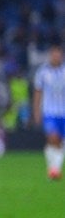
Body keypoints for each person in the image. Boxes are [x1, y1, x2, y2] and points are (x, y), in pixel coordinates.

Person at [32, 44, 65, 180]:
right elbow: (38, 92)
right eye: (54, 54)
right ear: (50, 56)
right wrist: (36, 111)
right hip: (49, 112)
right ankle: (54, 170)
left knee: (58, 143)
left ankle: (53, 168)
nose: (56, 57)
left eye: (59, 54)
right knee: (53, 138)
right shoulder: (42, 72)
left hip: (63, 112)